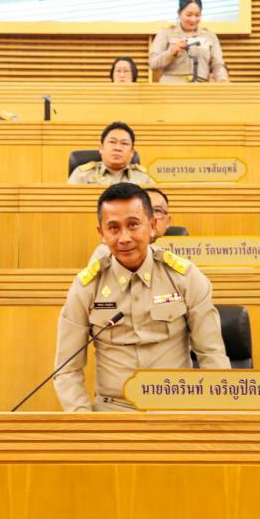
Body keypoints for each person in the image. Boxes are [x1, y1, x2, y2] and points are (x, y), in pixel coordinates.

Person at [52, 182, 229, 412]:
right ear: (102, 233)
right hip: (113, 412)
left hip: (176, 409)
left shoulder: (184, 277)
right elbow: (67, 369)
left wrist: (218, 415)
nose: (124, 238)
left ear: (152, 226)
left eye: (133, 225)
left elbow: (211, 354)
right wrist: (84, 419)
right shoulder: (86, 286)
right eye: (113, 228)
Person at [149, 0, 229, 83]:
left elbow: (218, 64)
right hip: (171, 86)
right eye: (189, 15)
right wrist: (172, 52)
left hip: (200, 87)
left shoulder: (210, 36)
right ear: (179, 13)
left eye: (197, 15)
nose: (193, 19)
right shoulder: (166, 33)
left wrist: (223, 80)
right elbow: (153, 64)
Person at [68, 121, 153, 184]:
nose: (117, 148)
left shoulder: (145, 177)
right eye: (112, 142)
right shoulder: (81, 175)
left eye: (124, 143)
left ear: (132, 152)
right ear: (101, 148)